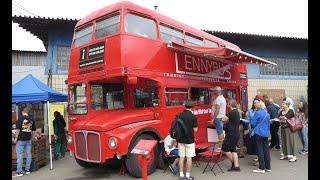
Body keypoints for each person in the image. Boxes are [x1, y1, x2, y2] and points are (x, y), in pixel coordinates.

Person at [13, 107, 37, 177]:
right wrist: (33, 137)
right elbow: (34, 130)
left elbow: (17, 130)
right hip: (28, 139)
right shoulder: (32, 119)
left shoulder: (20, 119)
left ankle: (19, 172)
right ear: (28, 112)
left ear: (23, 112)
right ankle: (27, 170)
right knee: (28, 154)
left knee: (20, 155)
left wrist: (15, 138)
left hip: (20, 140)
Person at [177, 101, 198, 180]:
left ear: (185, 106)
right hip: (189, 140)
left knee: (181, 157)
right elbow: (195, 129)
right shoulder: (193, 116)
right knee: (189, 158)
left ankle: (181, 175)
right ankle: (188, 176)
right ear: (192, 107)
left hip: (180, 140)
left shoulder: (180, 115)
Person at [250, 100, 271, 174]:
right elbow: (269, 124)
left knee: (260, 150)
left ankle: (262, 167)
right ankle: (268, 167)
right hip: (265, 133)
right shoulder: (267, 113)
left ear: (259, 105)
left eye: (256, 103)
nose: (255, 105)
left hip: (258, 133)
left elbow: (252, 123)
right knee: (266, 150)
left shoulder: (257, 113)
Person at [221, 100, 241, 172]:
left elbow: (223, 119)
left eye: (228, 104)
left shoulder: (231, 112)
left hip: (231, 134)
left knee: (225, 149)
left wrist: (223, 120)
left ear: (230, 104)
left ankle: (233, 162)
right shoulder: (237, 112)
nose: (227, 105)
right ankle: (236, 166)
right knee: (233, 149)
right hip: (236, 133)